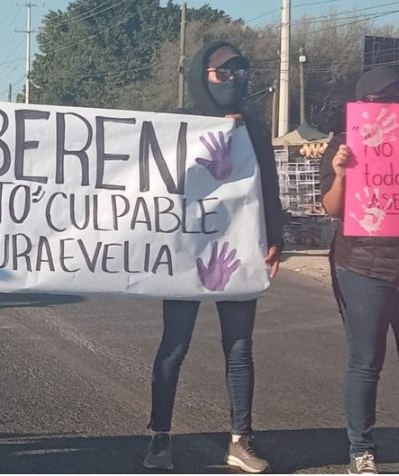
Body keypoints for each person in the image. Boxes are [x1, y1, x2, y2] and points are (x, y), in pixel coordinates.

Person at [142, 42, 284, 474]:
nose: (233, 79)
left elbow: (269, 188)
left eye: (240, 71)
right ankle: (159, 437)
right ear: (202, 74)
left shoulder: (255, 129)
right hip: (188, 249)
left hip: (239, 247)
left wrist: (275, 237)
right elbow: (159, 180)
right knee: (175, 345)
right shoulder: (179, 123)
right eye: (223, 71)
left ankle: (241, 439)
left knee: (239, 348)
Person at [318, 66, 399, 475]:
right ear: (362, 104)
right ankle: (360, 449)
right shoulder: (344, 143)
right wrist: (340, 174)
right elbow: (331, 209)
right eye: (378, 100)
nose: (386, 107)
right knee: (366, 361)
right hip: (362, 266)